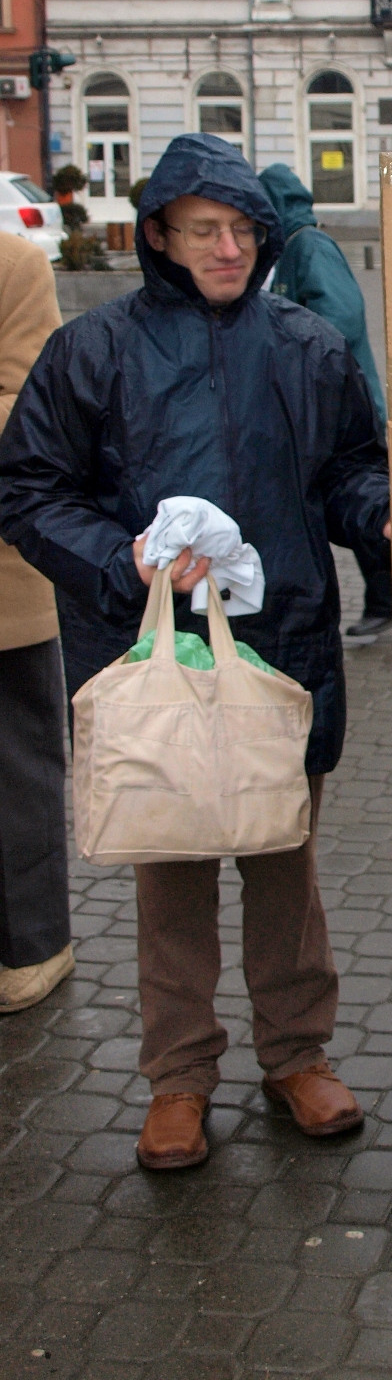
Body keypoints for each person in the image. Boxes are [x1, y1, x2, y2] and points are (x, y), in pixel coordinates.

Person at [0, 133, 391, 1173]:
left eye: (243, 229)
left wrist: (388, 516)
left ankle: (297, 1055)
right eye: (205, 230)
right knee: (170, 871)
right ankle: (178, 1077)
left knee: (282, 863)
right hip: (155, 656)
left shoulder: (305, 346)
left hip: (282, 648)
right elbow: (29, 490)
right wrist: (122, 558)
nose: (228, 247)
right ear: (160, 235)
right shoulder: (96, 350)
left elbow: (349, 471)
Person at [257, 163, 392, 645]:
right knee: (357, 510)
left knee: (368, 509)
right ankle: (386, 601)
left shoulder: (307, 246)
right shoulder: (294, 248)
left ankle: (388, 602)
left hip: (350, 410)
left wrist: (291, 341)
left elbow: (344, 315)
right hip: (332, 409)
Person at [0, 234, 73, 1013]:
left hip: (5, 582)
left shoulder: (13, 265)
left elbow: (28, 409)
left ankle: (33, 943)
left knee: (17, 771)